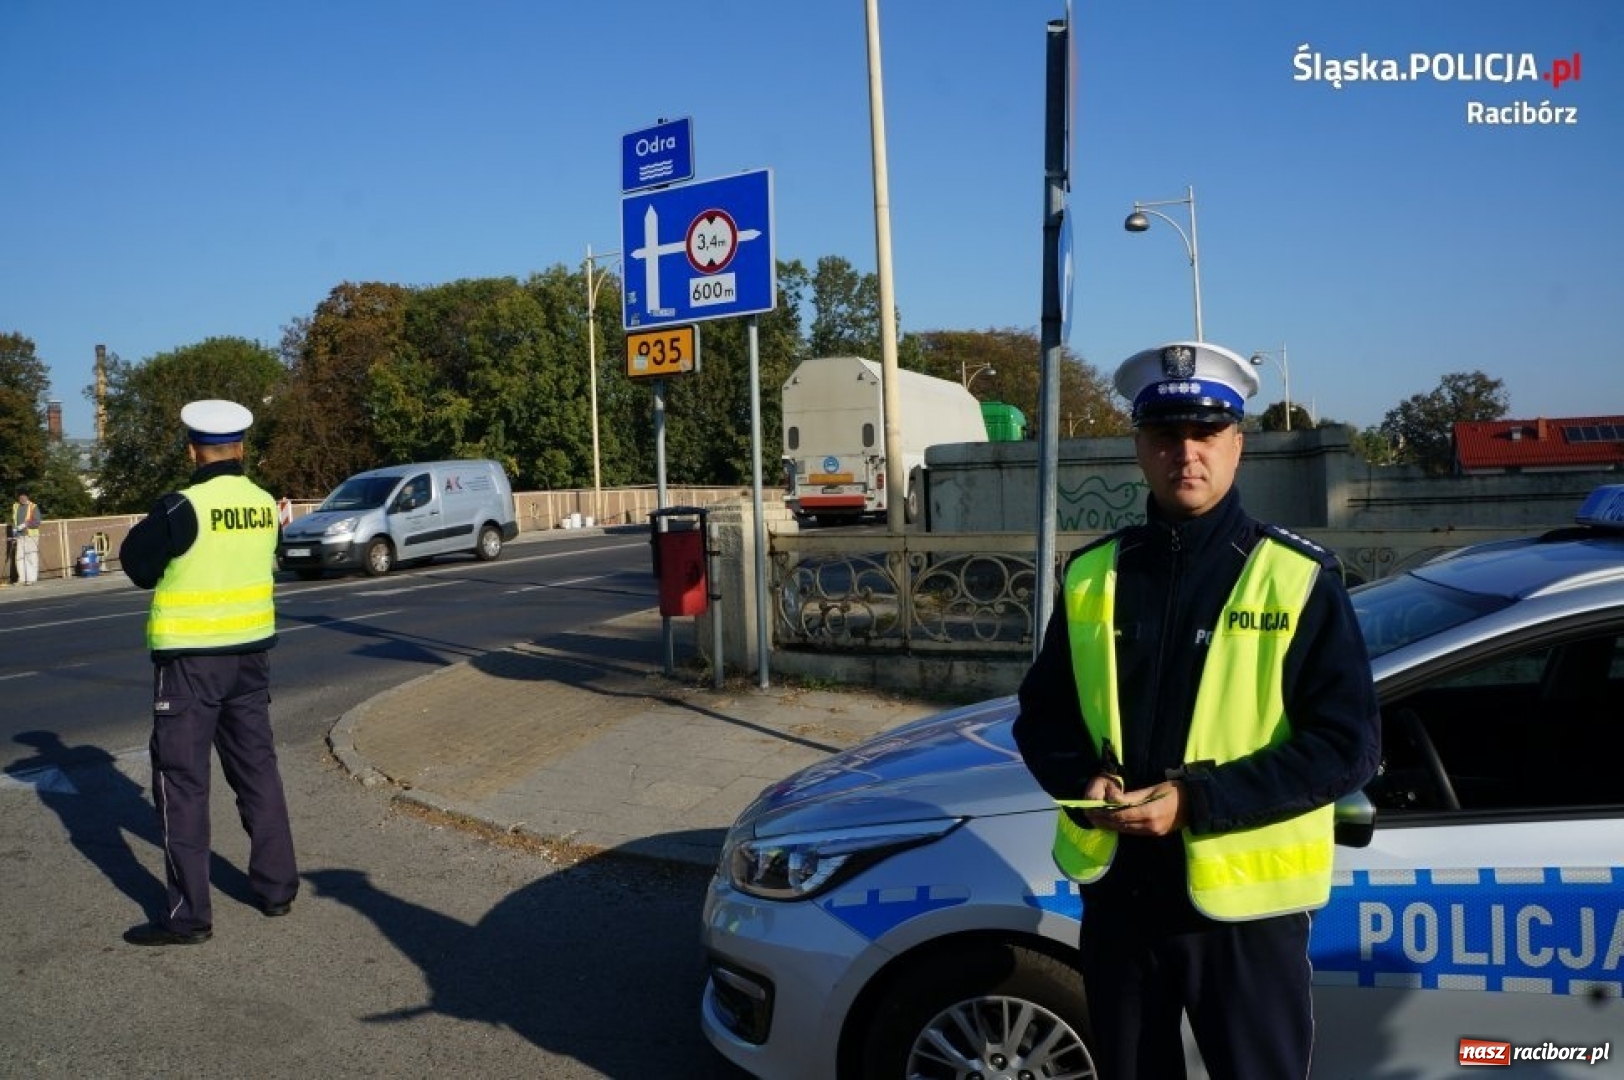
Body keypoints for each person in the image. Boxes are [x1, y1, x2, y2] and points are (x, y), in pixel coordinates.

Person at [1013, 342, 1380, 1080]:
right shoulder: (1093, 573)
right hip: (1121, 901)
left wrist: (1195, 802)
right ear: (1140, 449)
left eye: (1206, 434)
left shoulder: (1297, 578)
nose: (1186, 453)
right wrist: (1084, 778)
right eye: (1165, 436)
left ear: (1237, 445)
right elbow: (1042, 713)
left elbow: (1348, 746)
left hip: (1244, 918)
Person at [118, 399, 299, 946]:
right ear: (240, 447)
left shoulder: (182, 508)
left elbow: (136, 566)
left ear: (193, 449)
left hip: (191, 664)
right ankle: (277, 889)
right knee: (257, 773)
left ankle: (187, 916)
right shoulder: (265, 504)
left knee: (182, 785)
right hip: (250, 660)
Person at [11, 489, 42, 585]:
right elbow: (14, 521)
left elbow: (37, 522)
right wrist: (14, 531)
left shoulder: (33, 506)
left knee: (30, 557)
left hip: (30, 536)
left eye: (24, 497)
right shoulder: (16, 506)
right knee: (19, 558)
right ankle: (22, 579)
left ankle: (31, 579)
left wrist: (25, 525)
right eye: (20, 497)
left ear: (27, 497)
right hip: (20, 536)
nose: (22, 499)